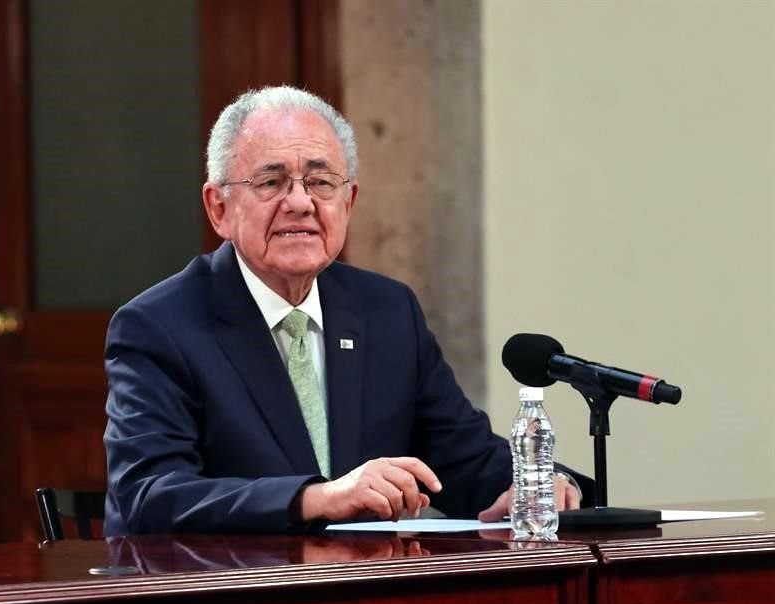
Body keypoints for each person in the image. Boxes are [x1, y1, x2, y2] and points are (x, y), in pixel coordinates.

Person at [103, 86, 588, 535]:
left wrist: (537, 485)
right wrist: (316, 499)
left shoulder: (386, 311)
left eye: (320, 181)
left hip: (366, 598)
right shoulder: (159, 326)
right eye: (271, 182)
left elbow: (465, 457)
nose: (300, 202)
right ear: (219, 208)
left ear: (349, 201)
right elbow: (150, 494)